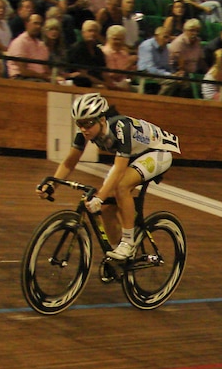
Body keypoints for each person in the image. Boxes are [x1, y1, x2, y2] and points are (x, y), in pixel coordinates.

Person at [36, 93, 181, 261]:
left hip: (157, 153)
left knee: (121, 187)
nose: (84, 129)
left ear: (102, 119)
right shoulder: (85, 132)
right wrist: (53, 185)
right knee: (105, 208)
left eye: (89, 123)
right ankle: (117, 258)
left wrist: (100, 197)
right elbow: (70, 162)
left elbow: (119, 169)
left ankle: (127, 243)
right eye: (80, 123)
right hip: (133, 155)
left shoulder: (121, 127)